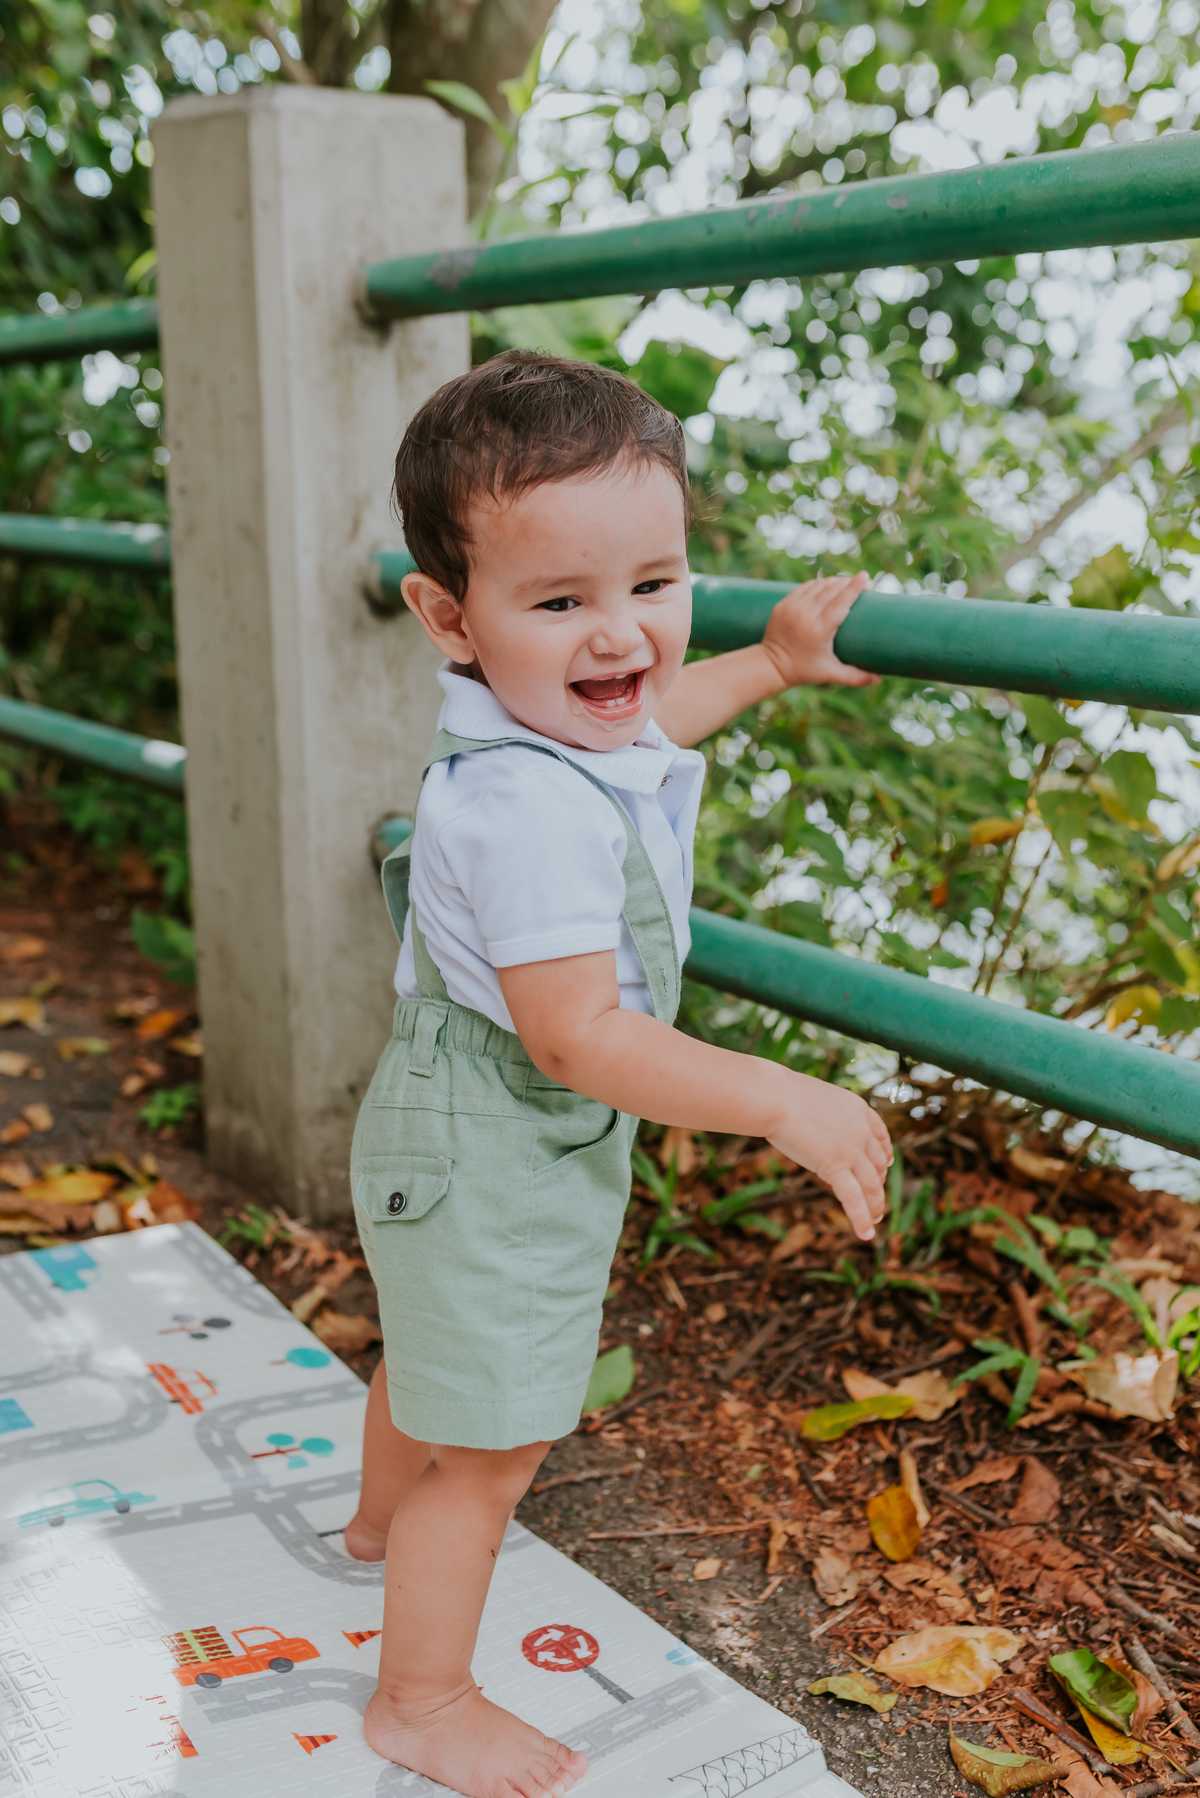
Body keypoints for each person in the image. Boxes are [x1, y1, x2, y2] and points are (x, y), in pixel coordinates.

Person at [341, 350, 892, 1798]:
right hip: (501, 1132)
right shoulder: (523, 807)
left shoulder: (554, 730)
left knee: (434, 1341)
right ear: (449, 617)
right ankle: (421, 1698)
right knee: (494, 1445)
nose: (622, 634)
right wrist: (784, 1096)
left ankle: (374, 1528)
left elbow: (650, 720)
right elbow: (578, 1037)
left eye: (655, 582)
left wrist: (770, 660)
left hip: (449, 1119)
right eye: (561, 603)